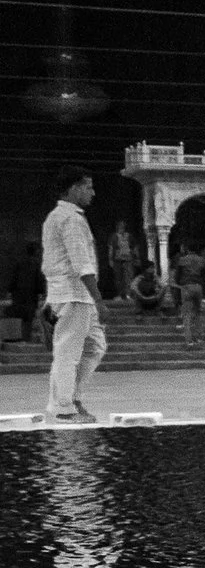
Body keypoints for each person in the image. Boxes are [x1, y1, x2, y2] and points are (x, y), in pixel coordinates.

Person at [42, 166, 106, 423]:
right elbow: (82, 264)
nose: (92, 192)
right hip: (74, 294)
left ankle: (72, 398)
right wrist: (100, 300)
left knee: (95, 347)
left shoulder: (59, 217)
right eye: (88, 186)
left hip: (74, 295)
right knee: (68, 352)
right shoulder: (69, 218)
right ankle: (63, 408)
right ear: (74, 188)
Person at [172, 242, 205, 348]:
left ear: (187, 249)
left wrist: (180, 284)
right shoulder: (201, 260)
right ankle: (199, 338)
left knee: (186, 314)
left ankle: (189, 341)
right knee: (198, 313)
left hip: (186, 287)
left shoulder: (182, 260)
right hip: (198, 286)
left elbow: (177, 275)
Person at [8, 241, 41, 341]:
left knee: (20, 316)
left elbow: (14, 278)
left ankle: (18, 337)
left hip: (19, 294)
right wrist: (41, 292)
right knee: (29, 317)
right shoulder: (36, 264)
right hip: (31, 294)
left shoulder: (19, 262)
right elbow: (39, 280)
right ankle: (27, 337)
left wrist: (10, 290)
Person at [108, 221, 137, 300]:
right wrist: (110, 259)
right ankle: (121, 295)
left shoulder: (129, 236)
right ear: (117, 228)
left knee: (129, 277)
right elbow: (111, 248)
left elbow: (134, 247)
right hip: (118, 260)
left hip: (128, 259)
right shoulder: (114, 236)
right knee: (118, 278)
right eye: (120, 227)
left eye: (123, 227)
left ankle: (128, 294)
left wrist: (136, 258)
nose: (122, 229)